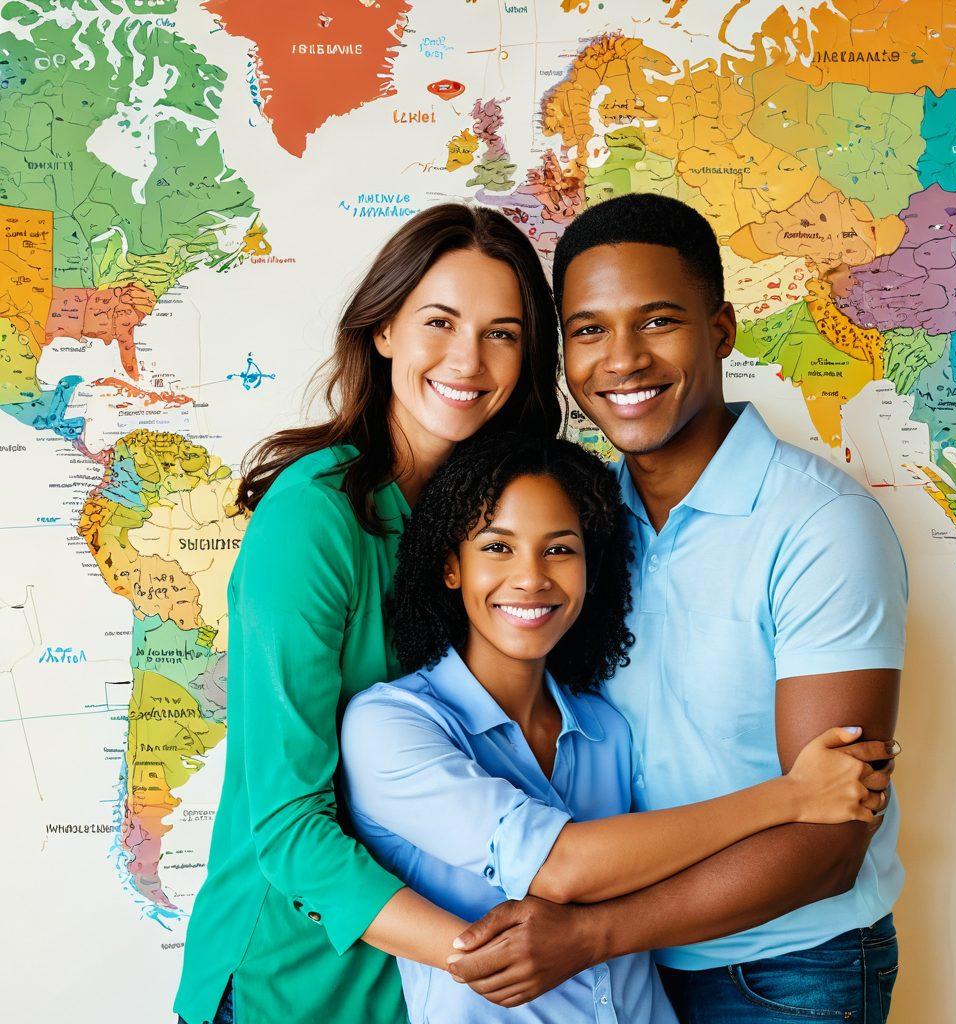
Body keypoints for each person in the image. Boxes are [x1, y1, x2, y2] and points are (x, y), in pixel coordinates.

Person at [447, 193, 907, 1024]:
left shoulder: (820, 525)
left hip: (786, 969)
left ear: (721, 330)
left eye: (657, 321)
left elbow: (834, 837)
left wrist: (593, 935)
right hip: (625, 978)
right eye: (589, 329)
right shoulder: (572, 531)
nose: (622, 360)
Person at [342, 433, 895, 1024]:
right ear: (452, 567)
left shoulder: (607, 730)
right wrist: (793, 794)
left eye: (560, 550)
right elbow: (560, 867)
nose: (531, 578)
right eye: (497, 548)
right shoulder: (391, 725)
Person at [173, 203, 563, 1024]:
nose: (470, 359)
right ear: (383, 328)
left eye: (503, 333)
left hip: (431, 993)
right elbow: (287, 826)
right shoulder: (315, 516)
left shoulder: (510, 528)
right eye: (441, 322)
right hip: (295, 980)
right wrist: (493, 959)